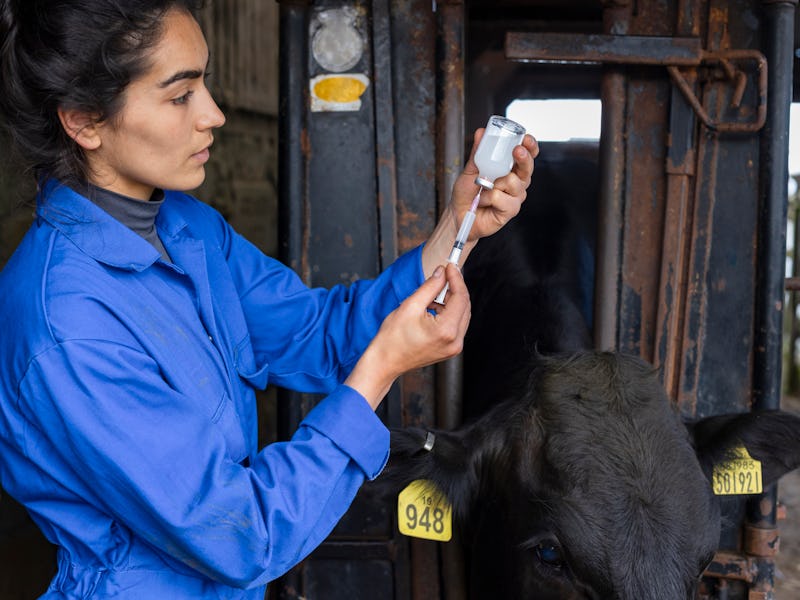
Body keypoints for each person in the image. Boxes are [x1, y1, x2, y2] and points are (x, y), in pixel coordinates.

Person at [0, 0, 537, 598]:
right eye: (180, 96)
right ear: (84, 121)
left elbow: (316, 332)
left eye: (205, 83)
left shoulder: (187, 228)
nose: (214, 114)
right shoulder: (67, 325)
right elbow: (240, 537)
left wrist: (454, 230)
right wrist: (383, 368)